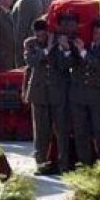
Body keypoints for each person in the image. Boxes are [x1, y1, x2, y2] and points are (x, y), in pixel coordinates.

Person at [24, 18, 68, 175]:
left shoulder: (58, 43)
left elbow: (64, 64)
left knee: (61, 131)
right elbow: (32, 61)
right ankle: (41, 163)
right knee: (41, 132)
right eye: (38, 35)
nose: (40, 38)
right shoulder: (30, 43)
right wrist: (46, 49)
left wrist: (63, 48)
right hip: (39, 93)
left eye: (43, 35)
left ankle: (64, 164)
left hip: (57, 93)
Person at [69, 18, 100, 166]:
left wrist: (83, 51)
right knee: (81, 131)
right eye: (96, 33)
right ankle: (85, 163)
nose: (98, 36)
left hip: (98, 95)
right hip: (80, 94)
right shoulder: (84, 44)